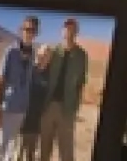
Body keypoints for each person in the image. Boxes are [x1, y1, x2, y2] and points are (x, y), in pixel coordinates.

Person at [38, 18, 89, 161]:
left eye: (72, 29)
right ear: (62, 32)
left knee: (66, 149)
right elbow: (41, 71)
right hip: (48, 106)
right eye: (66, 28)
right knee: (44, 147)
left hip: (67, 107)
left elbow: (80, 83)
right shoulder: (54, 51)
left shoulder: (81, 55)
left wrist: (75, 107)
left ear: (76, 32)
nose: (69, 32)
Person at [0, 16, 41, 161]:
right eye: (26, 29)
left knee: (12, 147)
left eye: (32, 30)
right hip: (7, 107)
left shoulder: (33, 53)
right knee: (0, 146)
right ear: (21, 30)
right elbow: (0, 81)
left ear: (36, 33)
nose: (29, 32)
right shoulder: (10, 52)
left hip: (22, 109)